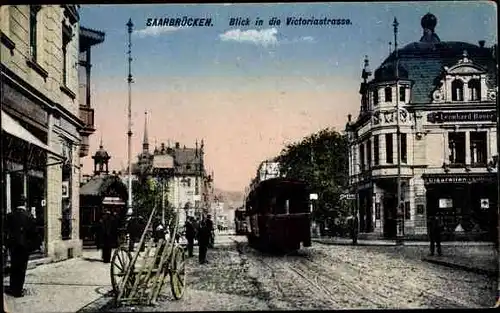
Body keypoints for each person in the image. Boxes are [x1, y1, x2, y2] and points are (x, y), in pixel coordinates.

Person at [5, 196, 38, 297]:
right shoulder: (29, 216)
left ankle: (12, 288)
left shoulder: (10, 215)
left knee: (14, 267)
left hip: (14, 246)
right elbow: (33, 233)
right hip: (24, 247)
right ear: (25, 204)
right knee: (22, 268)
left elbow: (6, 230)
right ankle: (18, 290)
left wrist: (7, 244)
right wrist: (32, 245)